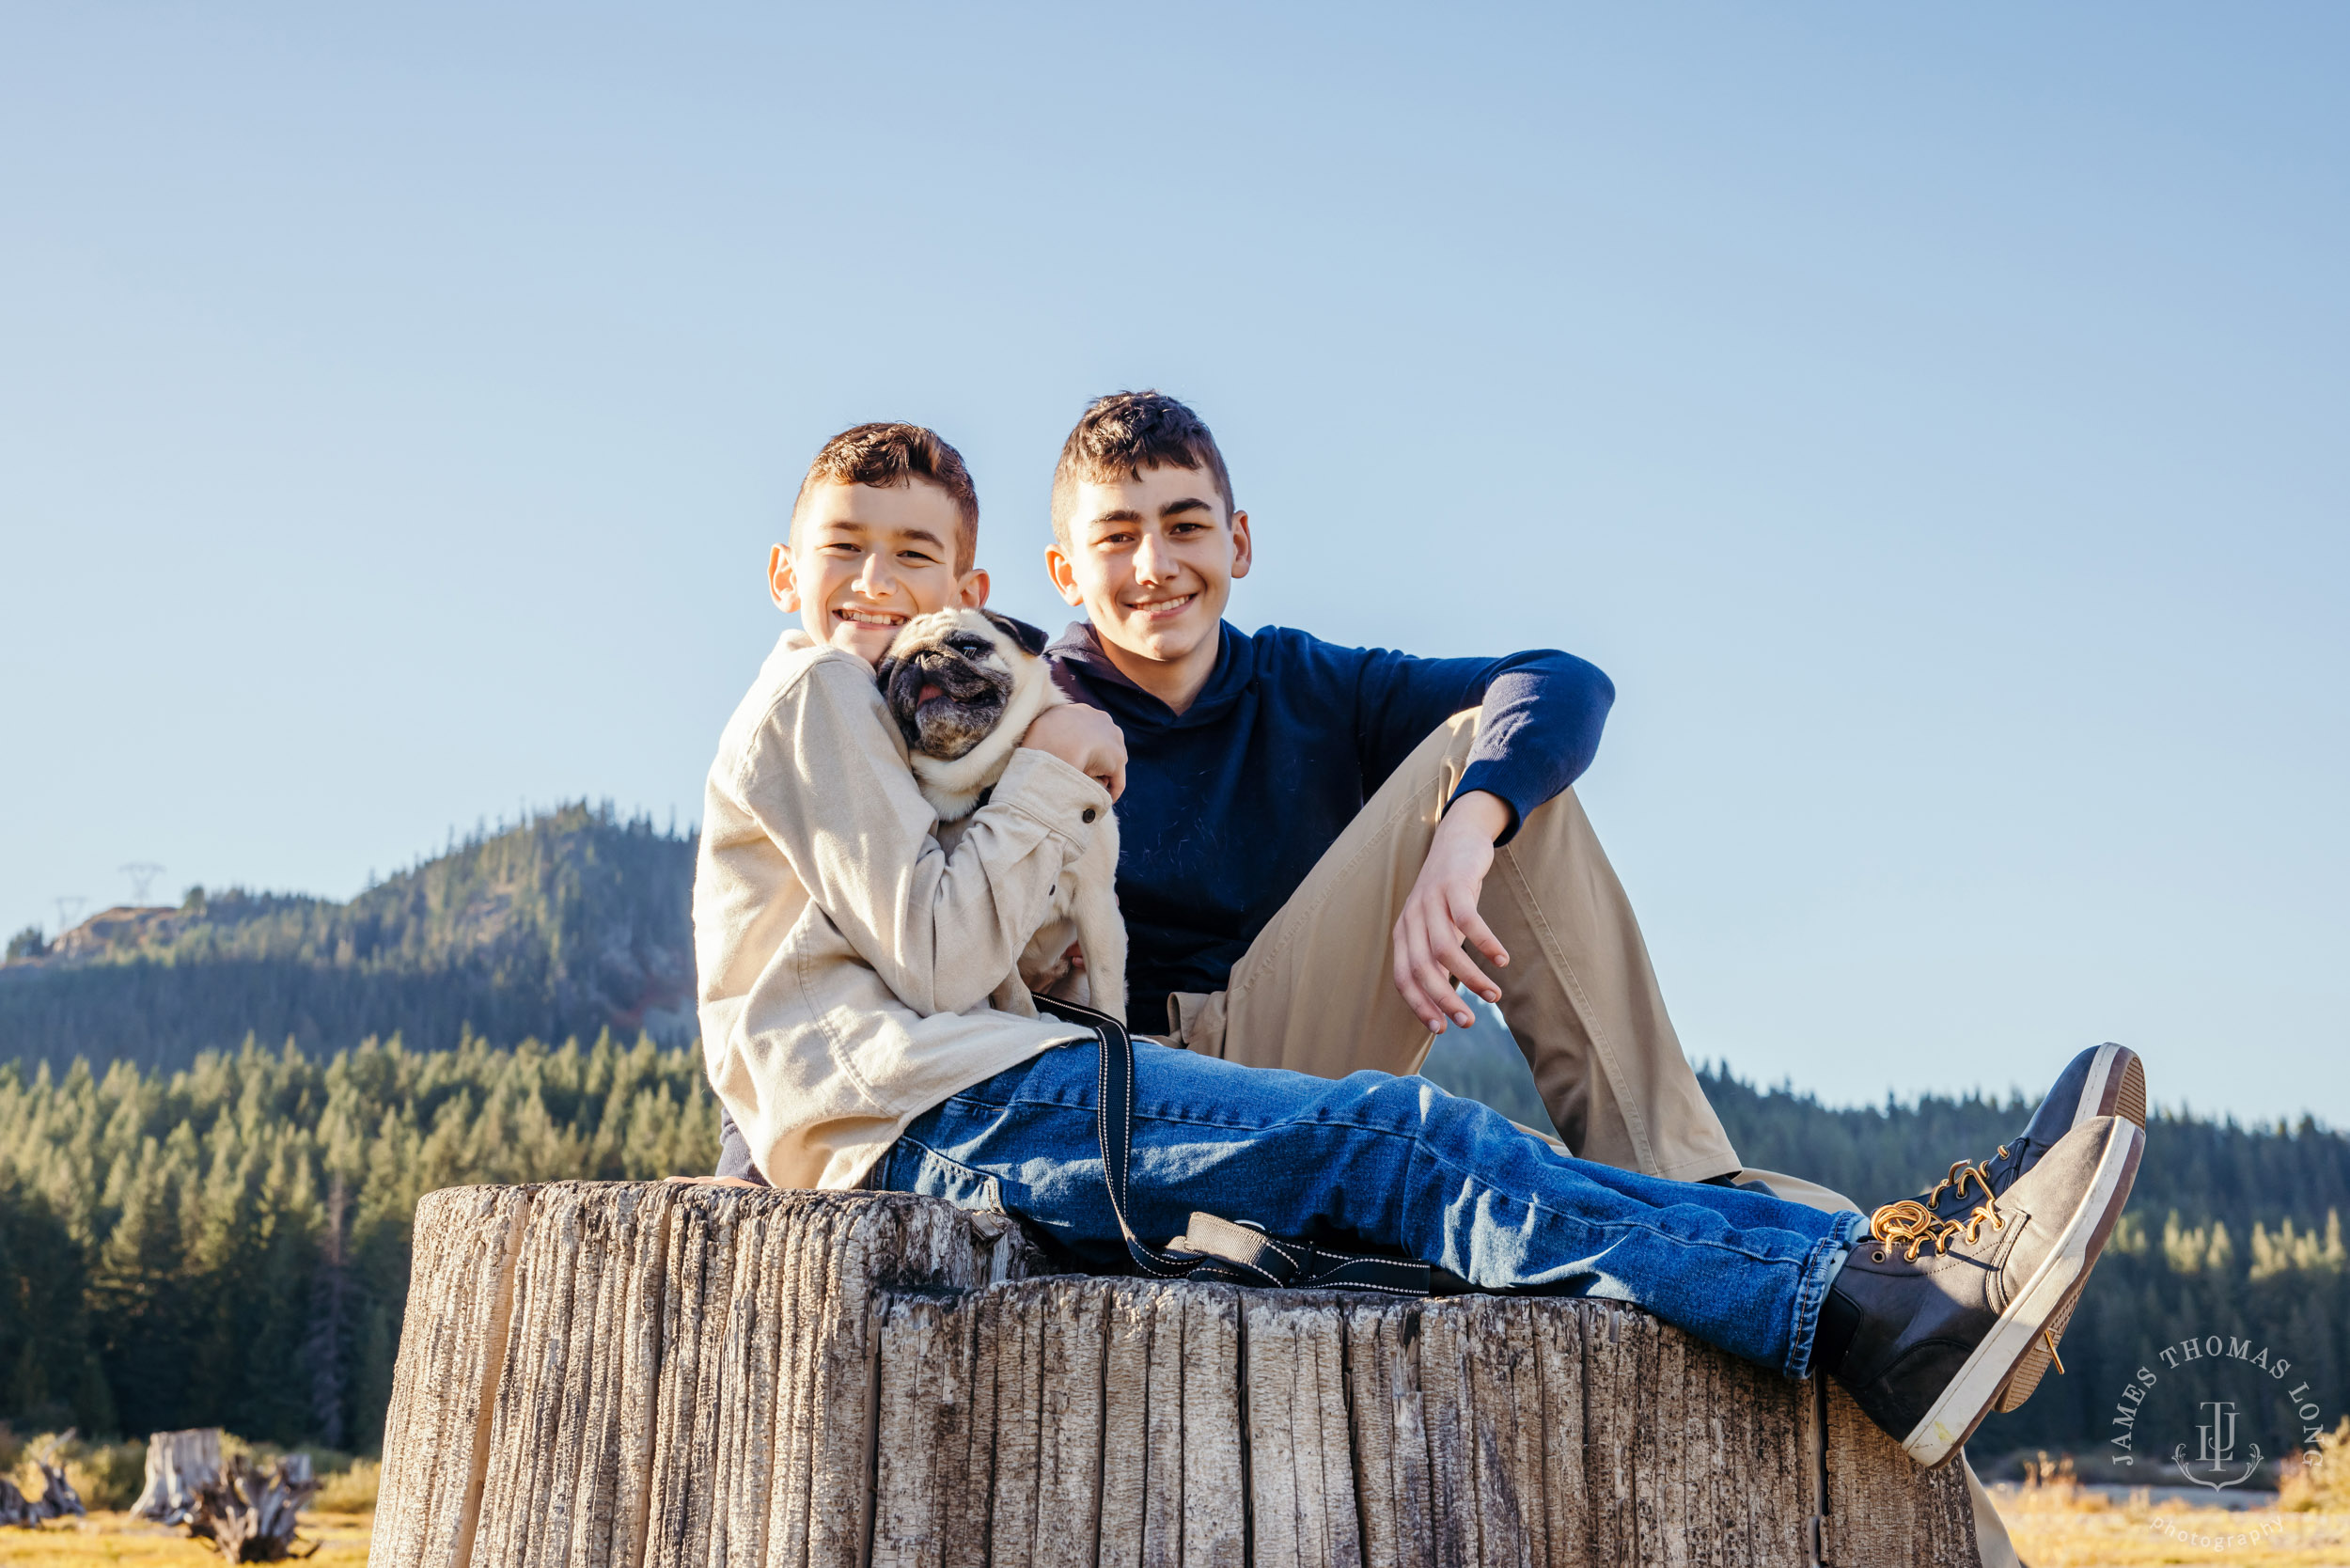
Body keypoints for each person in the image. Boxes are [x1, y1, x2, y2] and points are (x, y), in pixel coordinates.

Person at [691, 416, 2143, 1477]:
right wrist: (761, 1152)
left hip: (1152, 1067)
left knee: (1491, 791)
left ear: (1238, 541)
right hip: (1058, 1088)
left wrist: (1468, 828)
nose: (1153, 566)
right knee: (1409, 1144)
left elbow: (1559, 679)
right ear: (1054, 572)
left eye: (1186, 525)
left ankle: (1866, 1264)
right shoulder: (951, 689)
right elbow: (847, 964)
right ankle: (1868, 1290)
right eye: (1116, 537)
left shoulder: (1290, 686)